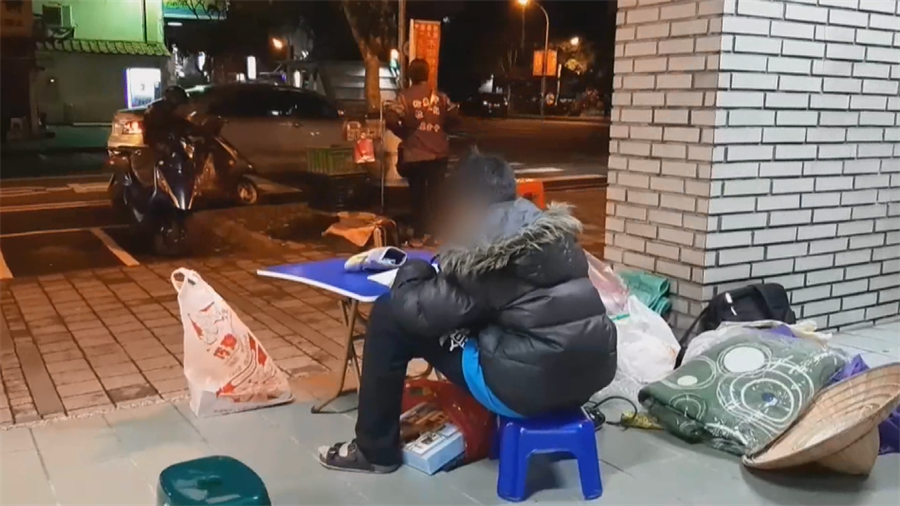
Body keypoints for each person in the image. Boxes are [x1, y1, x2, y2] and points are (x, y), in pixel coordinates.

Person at [318, 153, 618, 473]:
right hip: (588, 378)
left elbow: (421, 311)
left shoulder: (486, 245)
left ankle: (374, 450)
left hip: (524, 390)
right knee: (480, 318)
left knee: (389, 314)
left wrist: (412, 271)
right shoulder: (548, 229)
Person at [385, 58, 459, 246]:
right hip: (439, 154)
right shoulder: (440, 97)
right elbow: (455, 117)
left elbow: (391, 119)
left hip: (415, 154)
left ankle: (418, 236)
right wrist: (441, 131)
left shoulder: (404, 97)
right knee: (436, 195)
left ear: (410, 76)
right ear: (427, 74)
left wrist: (403, 133)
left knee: (417, 196)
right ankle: (437, 235)